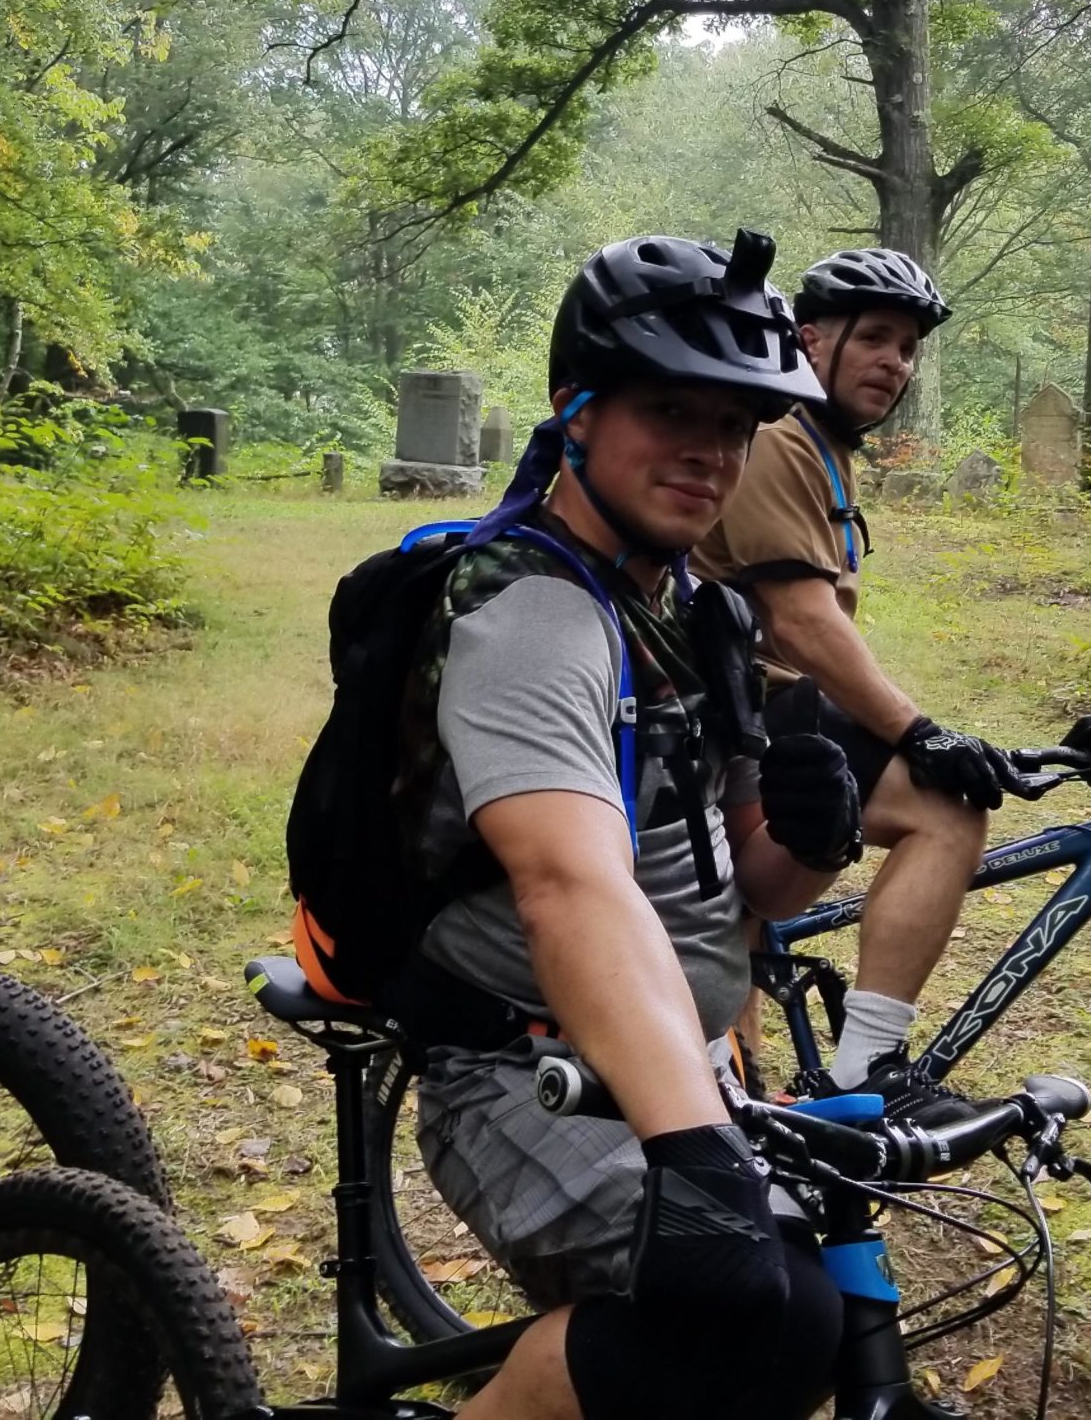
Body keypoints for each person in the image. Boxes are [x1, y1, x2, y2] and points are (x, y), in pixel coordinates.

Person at [404, 232, 855, 1420]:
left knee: (825, 1314)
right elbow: (567, 886)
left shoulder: (698, 613)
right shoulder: (531, 615)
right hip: (516, 1065)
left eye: (736, 424)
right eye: (672, 411)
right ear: (579, 413)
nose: (710, 453)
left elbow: (751, 885)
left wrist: (808, 841)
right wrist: (692, 1154)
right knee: (752, 1321)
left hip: (682, 1058)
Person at [691, 247, 1036, 1121]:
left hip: (766, 705)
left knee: (751, 918)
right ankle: (865, 1072)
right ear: (810, 339)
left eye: (909, 348)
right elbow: (801, 621)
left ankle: (759, 1093)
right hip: (723, 717)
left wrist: (906, 722)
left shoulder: (822, 444)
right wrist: (919, 732)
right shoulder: (776, 437)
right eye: (875, 338)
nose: (896, 363)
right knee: (944, 807)